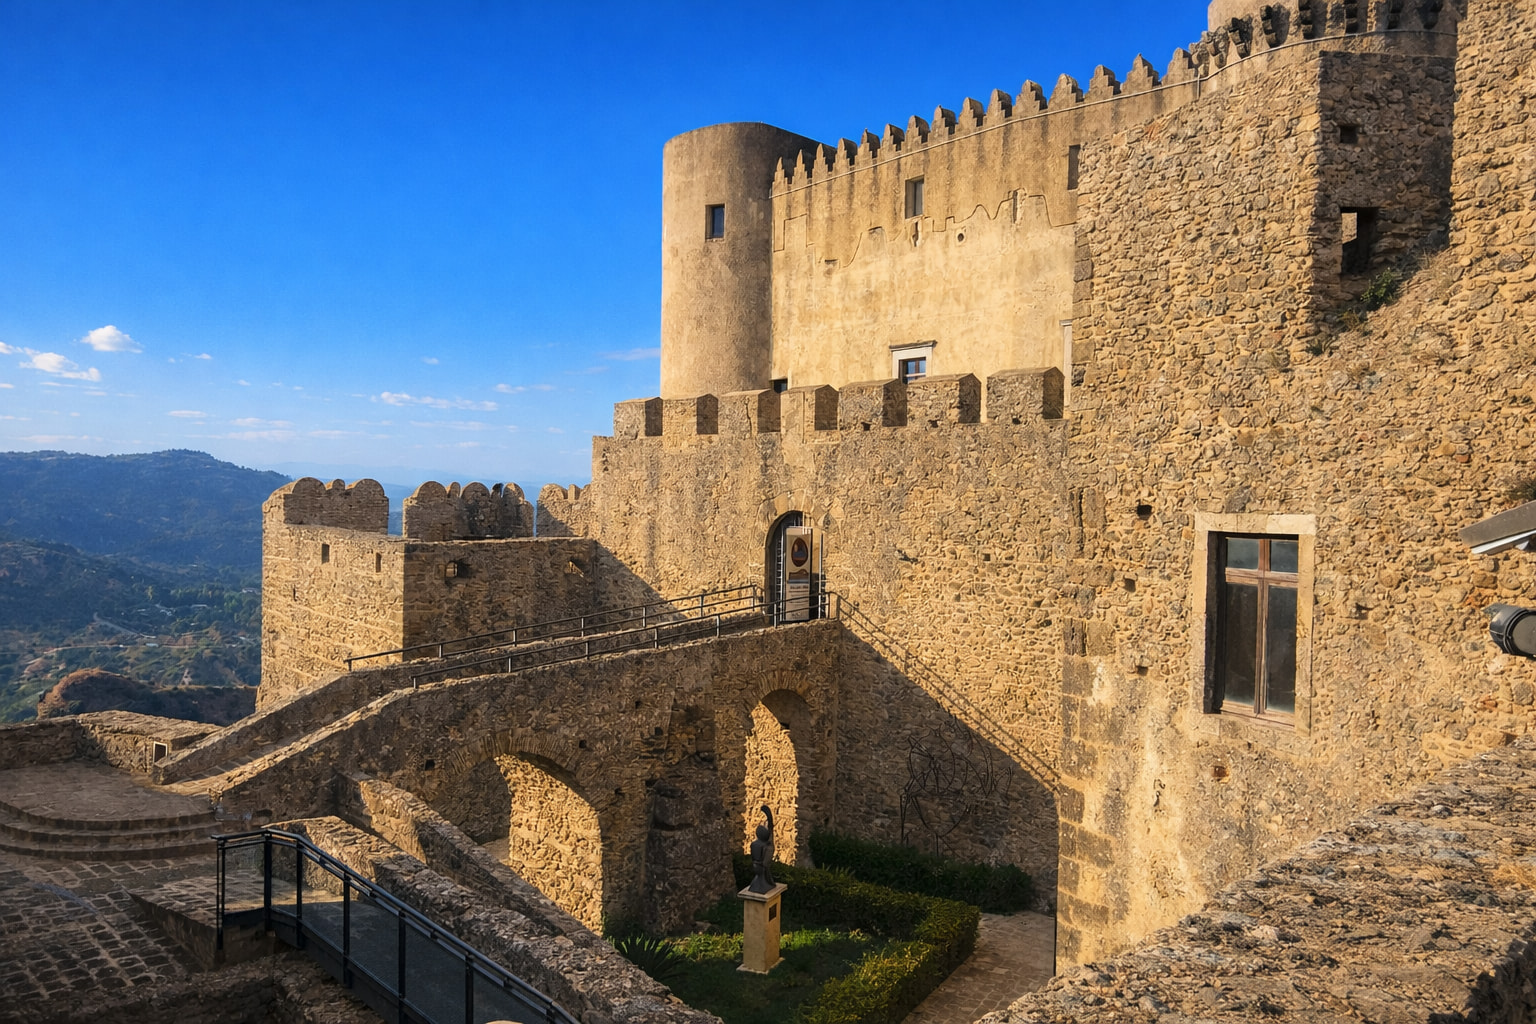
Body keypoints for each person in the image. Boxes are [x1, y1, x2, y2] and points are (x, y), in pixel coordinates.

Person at [748, 804, 775, 892]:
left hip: (758, 866)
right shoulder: (766, 846)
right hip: (761, 867)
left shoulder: (754, 844)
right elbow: (765, 862)